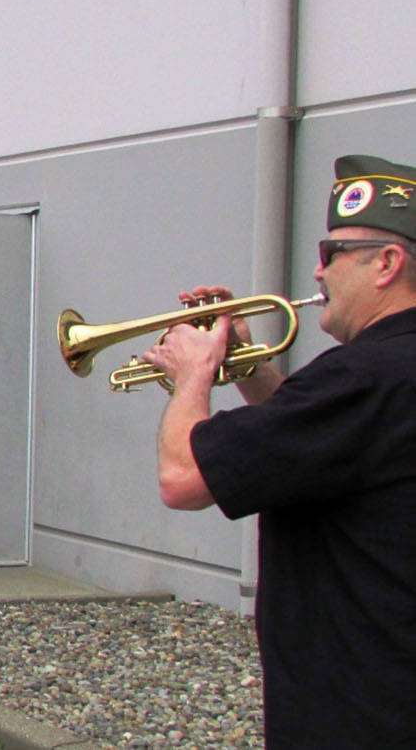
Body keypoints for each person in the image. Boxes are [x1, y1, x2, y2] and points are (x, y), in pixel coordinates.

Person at [140, 154, 416, 748]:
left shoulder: (359, 375)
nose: (317, 274)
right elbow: (317, 444)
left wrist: (194, 372)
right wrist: (250, 366)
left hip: (358, 706)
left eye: (331, 254)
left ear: (387, 264)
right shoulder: (381, 378)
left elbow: (182, 479)